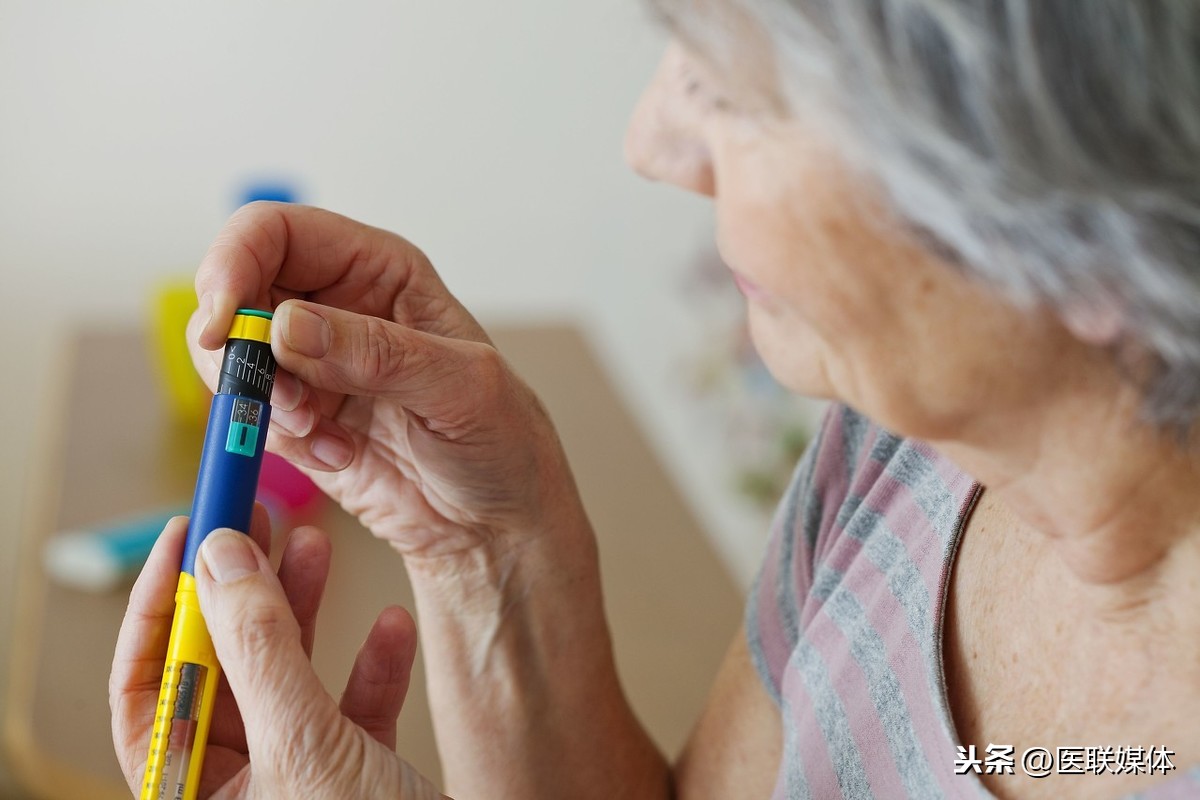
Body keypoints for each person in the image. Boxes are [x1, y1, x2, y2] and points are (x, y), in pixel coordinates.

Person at [111, 1, 1200, 798]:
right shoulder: (897, 450)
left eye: (730, 86)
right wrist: (484, 544)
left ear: (1091, 195)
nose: (653, 144)